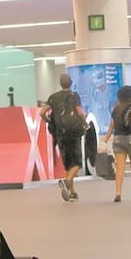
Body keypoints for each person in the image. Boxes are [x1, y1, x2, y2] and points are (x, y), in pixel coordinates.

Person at [41, 74, 87, 202]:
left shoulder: (53, 97)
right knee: (77, 163)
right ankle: (67, 182)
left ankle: (72, 193)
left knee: (68, 164)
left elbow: (42, 112)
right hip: (73, 132)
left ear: (60, 83)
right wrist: (84, 121)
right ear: (71, 83)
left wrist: (49, 120)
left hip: (60, 132)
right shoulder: (74, 96)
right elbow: (79, 112)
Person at [103, 85, 131, 202]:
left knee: (120, 167)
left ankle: (118, 192)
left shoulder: (116, 108)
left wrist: (106, 139)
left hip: (117, 139)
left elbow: (112, 126)